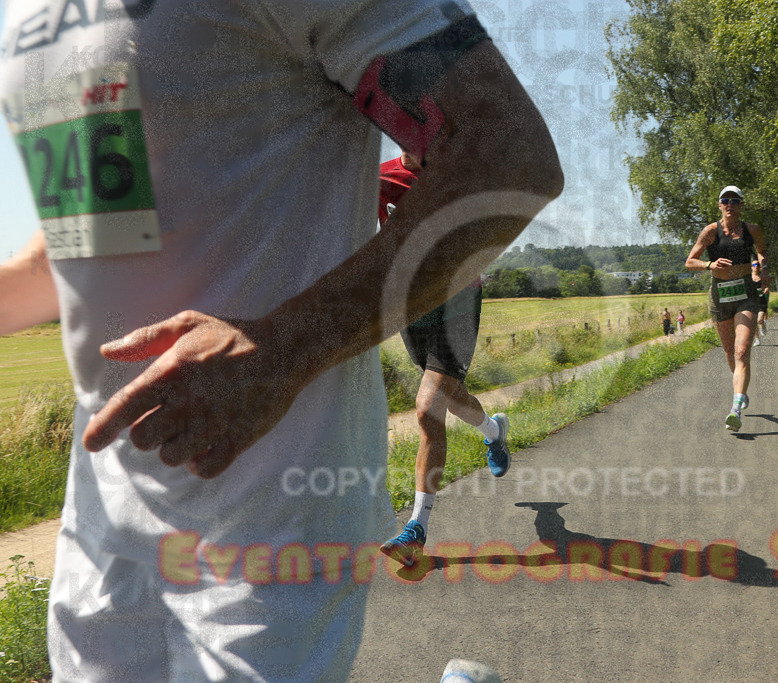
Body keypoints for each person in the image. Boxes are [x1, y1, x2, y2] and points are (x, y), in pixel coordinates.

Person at [0, 2, 562, 679]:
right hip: (105, 506)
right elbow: (89, 233)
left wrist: (283, 347)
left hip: (271, 507)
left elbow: (506, 153)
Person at [377, 151, 511, 568]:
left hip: (458, 300)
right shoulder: (379, 178)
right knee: (451, 398)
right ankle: (493, 430)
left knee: (426, 410)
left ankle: (415, 529)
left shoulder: (461, 173)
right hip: (411, 306)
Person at [686, 186, 769, 432]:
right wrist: (710, 264)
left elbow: (762, 251)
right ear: (720, 205)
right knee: (730, 353)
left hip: (745, 293)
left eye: (735, 200)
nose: (730, 204)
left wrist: (764, 269)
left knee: (742, 351)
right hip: (719, 294)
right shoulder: (710, 232)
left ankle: (735, 409)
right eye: (725, 200)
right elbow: (690, 261)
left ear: (741, 205)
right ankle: (740, 390)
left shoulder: (751, 231)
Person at [751, 261, 770, 346]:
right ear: (751, 267)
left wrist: (766, 289)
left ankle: (762, 325)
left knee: (759, 320)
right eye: (754, 265)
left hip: (761, 300)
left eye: (758, 265)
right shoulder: (748, 277)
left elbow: (767, 285)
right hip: (751, 301)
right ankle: (757, 339)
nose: (756, 266)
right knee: (754, 322)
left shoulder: (762, 277)